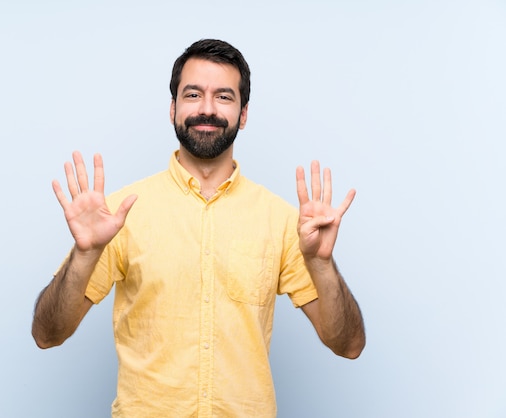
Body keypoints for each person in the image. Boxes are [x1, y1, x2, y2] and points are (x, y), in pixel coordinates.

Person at [32, 39, 365, 417]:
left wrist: (321, 264)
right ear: (173, 108)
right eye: (193, 94)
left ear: (243, 114)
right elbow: (48, 334)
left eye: (224, 97)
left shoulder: (283, 221)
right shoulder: (119, 215)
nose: (207, 109)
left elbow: (348, 344)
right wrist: (85, 254)